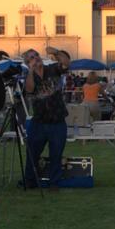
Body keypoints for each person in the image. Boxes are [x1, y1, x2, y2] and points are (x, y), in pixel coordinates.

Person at [23, 47, 69, 191]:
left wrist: (56, 52)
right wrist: (30, 70)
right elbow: (29, 89)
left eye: (36, 55)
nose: (36, 57)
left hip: (57, 120)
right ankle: (30, 181)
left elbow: (66, 63)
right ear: (27, 62)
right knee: (33, 153)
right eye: (31, 57)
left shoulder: (52, 69)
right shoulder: (29, 76)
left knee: (56, 154)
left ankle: (54, 183)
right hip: (39, 122)